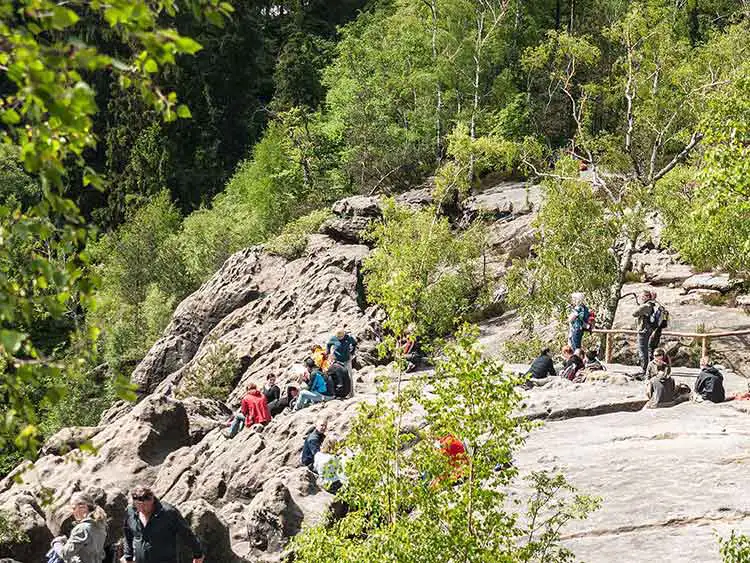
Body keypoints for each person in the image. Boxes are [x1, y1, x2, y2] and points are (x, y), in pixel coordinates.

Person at [123, 485, 204, 563]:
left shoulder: (168, 513)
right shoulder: (131, 511)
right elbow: (127, 534)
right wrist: (128, 557)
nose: (141, 509)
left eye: (145, 505)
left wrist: (198, 554)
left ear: (152, 500)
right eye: (138, 505)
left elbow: (187, 534)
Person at [47, 492, 108, 563]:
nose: (72, 512)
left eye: (73, 508)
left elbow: (65, 554)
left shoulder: (81, 528)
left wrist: (56, 542)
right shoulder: (100, 526)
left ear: (83, 507)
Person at [633, 289, 657, 378]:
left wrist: (641, 306)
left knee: (642, 350)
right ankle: (646, 369)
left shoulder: (646, 306)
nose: (641, 297)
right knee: (646, 350)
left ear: (647, 297)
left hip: (643, 331)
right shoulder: (651, 305)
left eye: (642, 296)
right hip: (648, 330)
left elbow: (634, 313)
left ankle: (644, 369)